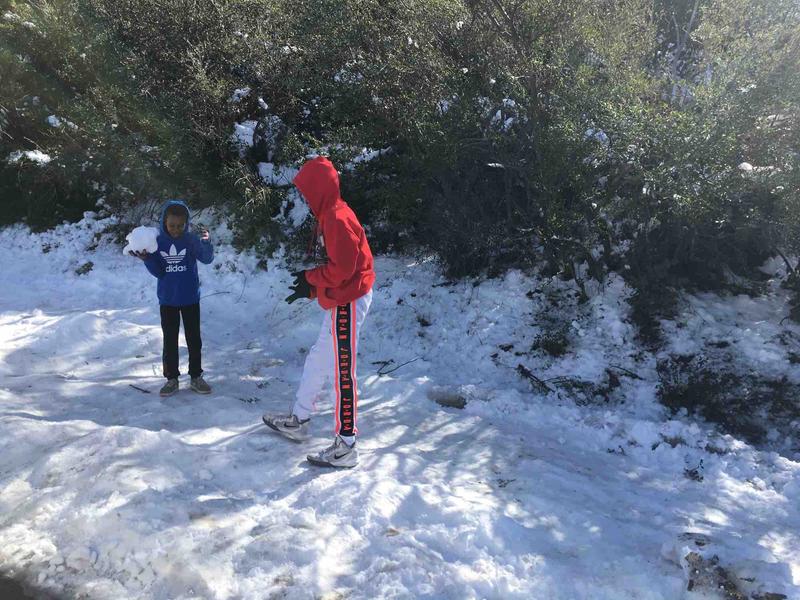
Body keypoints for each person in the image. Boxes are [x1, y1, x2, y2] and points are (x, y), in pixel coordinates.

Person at [263, 157, 375, 468]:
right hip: (343, 296)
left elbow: (343, 271)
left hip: (349, 301)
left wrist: (312, 279)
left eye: (307, 191)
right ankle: (299, 419)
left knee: (342, 371)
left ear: (320, 189)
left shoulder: (337, 218)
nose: (305, 197)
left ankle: (346, 445)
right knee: (318, 359)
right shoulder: (330, 214)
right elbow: (341, 268)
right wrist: (312, 288)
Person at [129, 200, 214, 396]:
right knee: (170, 340)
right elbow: (159, 272)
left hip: (190, 298)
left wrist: (206, 242)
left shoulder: (191, 240)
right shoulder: (158, 243)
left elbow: (207, 259)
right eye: (172, 225)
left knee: (194, 340)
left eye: (180, 226)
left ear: (186, 224)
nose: (176, 230)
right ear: (164, 223)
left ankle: (196, 377)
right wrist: (147, 260)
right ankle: (171, 379)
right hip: (168, 300)